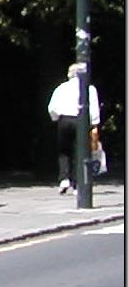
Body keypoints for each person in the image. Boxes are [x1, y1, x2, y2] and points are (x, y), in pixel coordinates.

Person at [47, 63, 101, 194]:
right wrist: (94, 124)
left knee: (64, 150)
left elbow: (52, 107)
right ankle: (78, 183)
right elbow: (93, 108)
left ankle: (64, 178)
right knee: (80, 151)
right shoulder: (89, 88)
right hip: (80, 120)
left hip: (64, 119)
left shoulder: (61, 88)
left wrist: (56, 118)